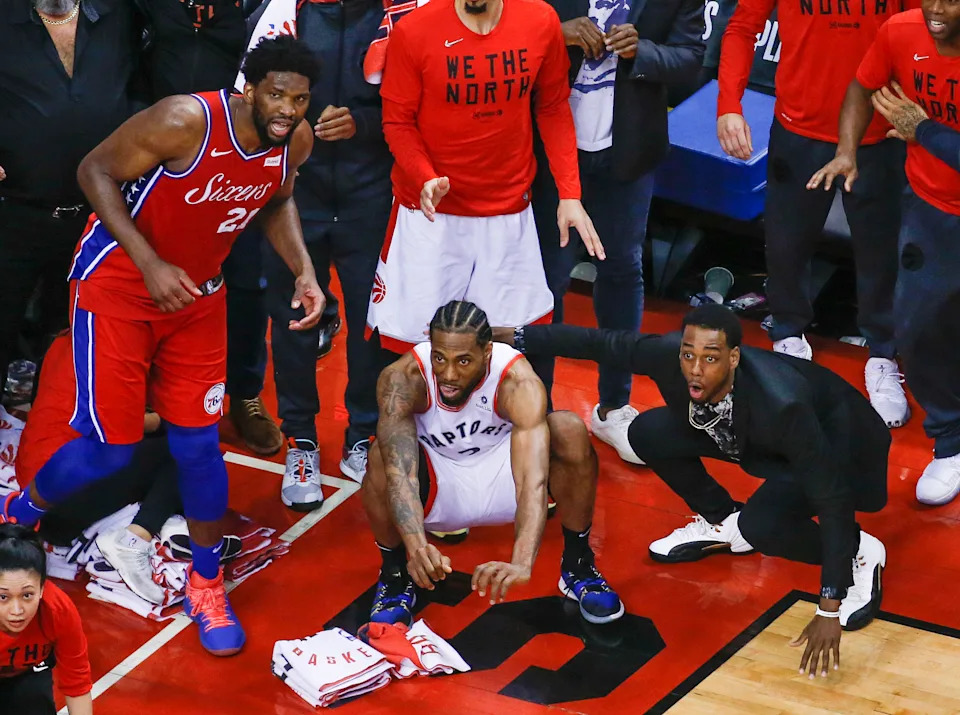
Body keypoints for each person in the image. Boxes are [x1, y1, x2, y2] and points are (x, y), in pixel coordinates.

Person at [1, 36, 324, 657]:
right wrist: (148, 263)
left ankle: (206, 584)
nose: (288, 110)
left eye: (300, 100)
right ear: (249, 91)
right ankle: (20, 511)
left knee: (200, 448)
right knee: (110, 448)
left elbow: (278, 200)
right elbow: (93, 171)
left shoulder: (295, 140)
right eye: (277, 95)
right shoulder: (184, 120)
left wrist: (304, 270)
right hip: (120, 287)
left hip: (197, 297)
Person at [494, 304, 889, 677]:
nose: (695, 370)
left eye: (710, 358)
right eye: (688, 355)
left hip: (841, 446)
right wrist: (512, 337)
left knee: (763, 527)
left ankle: (860, 552)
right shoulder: (673, 358)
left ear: (734, 358)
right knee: (647, 433)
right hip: (753, 438)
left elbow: (831, 498)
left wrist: (828, 608)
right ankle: (723, 519)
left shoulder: (783, 406)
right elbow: (599, 343)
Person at [365, 0, 604, 362]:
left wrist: (570, 193)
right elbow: (397, 122)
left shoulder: (540, 20)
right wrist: (424, 176)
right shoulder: (414, 30)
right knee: (413, 356)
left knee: (507, 352)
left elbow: (553, 106)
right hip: (429, 215)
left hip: (508, 213)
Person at [362, 301, 623, 627]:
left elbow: (532, 481)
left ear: (487, 352)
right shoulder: (402, 380)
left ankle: (578, 565)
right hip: (438, 484)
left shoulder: (517, 381)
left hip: (505, 476)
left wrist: (522, 561)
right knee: (380, 456)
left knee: (568, 429)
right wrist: (416, 547)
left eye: (463, 361)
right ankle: (395, 576)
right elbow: (401, 475)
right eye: (439, 358)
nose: (448, 374)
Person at [716, 0, 913, 430]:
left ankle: (883, 354)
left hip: (879, 135)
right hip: (798, 126)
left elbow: (924, 34)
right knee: (786, 244)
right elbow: (742, 27)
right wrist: (728, 102)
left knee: (881, 255)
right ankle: (788, 338)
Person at [531, 0, 705, 462]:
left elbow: (691, 58)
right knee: (547, 280)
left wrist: (642, 51)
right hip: (549, 149)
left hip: (626, 152)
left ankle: (613, 406)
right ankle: (536, 408)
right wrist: (557, 33)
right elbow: (505, 28)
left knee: (623, 271)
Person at [809, 2, 960, 505]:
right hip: (928, 209)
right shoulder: (901, 31)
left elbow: (923, 128)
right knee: (916, 331)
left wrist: (925, 130)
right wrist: (847, 149)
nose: (936, 8)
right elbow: (862, 84)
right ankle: (951, 442)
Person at [138, 0, 286, 457]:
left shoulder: (255, 8)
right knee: (150, 279)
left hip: (235, 155)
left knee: (247, 282)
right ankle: (146, 393)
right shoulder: (143, 7)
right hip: (158, 157)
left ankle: (244, 393)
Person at [267, 0, 395, 510]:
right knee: (295, 318)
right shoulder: (283, 11)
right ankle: (300, 441)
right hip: (296, 193)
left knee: (371, 322)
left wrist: (362, 122)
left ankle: (363, 434)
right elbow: (251, 98)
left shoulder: (400, 14)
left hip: (373, 193)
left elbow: (421, 106)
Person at [0, 0, 141, 392]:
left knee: (69, 341)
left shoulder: (121, 15)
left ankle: (52, 422)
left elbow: (146, 83)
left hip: (95, 219)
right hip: (13, 214)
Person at [0, 523, 92, 715]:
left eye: (27, 595)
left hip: (26, 677)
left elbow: (77, 682)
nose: (17, 611)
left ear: (42, 588)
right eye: (3, 597)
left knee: (35, 700)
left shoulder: (58, 610)